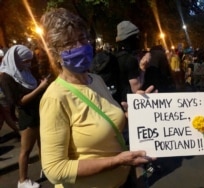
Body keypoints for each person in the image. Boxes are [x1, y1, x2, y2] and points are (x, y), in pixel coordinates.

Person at [39, 8, 155, 188]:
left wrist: (134, 110)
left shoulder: (96, 79)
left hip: (123, 181)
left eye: (82, 38)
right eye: (69, 43)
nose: (79, 46)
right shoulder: (55, 98)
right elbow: (55, 170)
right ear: (55, 54)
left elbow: (107, 122)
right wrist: (115, 161)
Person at [0, 44, 50, 188]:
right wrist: (40, 88)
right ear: (16, 59)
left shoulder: (24, 71)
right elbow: (19, 101)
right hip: (26, 116)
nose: (28, 63)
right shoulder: (6, 77)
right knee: (26, 150)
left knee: (43, 144)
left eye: (30, 60)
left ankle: (45, 168)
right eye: (25, 60)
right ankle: (22, 180)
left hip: (38, 112)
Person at [115, 20, 142, 103]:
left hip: (116, 101)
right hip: (127, 103)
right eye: (136, 37)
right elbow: (136, 88)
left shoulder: (115, 57)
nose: (138, 39)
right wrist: (143, 68)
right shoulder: (130, 60)